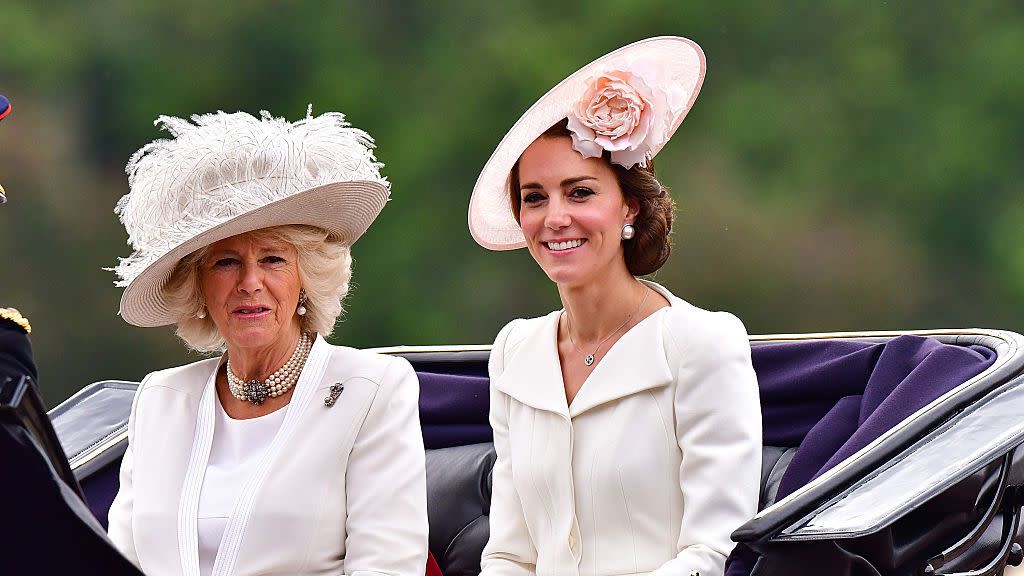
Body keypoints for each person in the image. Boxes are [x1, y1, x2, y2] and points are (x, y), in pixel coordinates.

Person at [468, 37, 762, 576]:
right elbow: (510, 554)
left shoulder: (702, 342)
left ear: (628, 205)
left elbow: (715, 552)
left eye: (579, 192)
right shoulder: (515, 351)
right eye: (534, 197)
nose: (555, 217)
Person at [106, 109, 428, 575]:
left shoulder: (372, 389)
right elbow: (118, 562)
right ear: (198, 286)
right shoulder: (161, 399)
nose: (250, 282)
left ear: (306, 278)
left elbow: (388, 566)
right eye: (225, 263)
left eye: (274, 259)